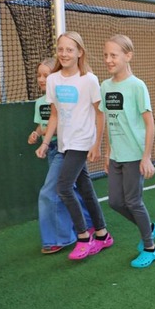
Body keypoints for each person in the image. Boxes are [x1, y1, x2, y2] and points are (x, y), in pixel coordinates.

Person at [35, 31, 114, 261]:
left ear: (80, 52)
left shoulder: (88, 79)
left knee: (63, 187)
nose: (64, 53)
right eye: (61, 49)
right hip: (64, 143)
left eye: (70, 49)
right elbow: (54, 116)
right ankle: (102, 233)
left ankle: (82, 237)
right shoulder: (53, 80)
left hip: (82, 141)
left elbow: (100, 114)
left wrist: (97, 144)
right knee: (86, 189)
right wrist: (45, 142)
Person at [100, 34, 155, 268]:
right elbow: (108, 121)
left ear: (128, 56)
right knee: (116, 202)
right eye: (106, 55)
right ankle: (150, 227)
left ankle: (150, 246)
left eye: (113, 55)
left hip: (135, 155)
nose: (108, 59)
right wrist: (107, 152)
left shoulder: (137, 86)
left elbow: (149, 123)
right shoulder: (105, 86)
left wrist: (146, 157)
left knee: (134, 202)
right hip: (116, 156)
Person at [28, 57, 93, 254]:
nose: (41, 79)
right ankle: (89, 224)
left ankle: (59, 238)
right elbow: (45, 123)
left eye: (45, 75)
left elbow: (64, 120)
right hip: (55, 149)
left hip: (69, 148)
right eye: (39, 75)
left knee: (52, 192)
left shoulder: (68, 94)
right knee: (74, 189)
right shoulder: (42, 102)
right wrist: (39, 135)